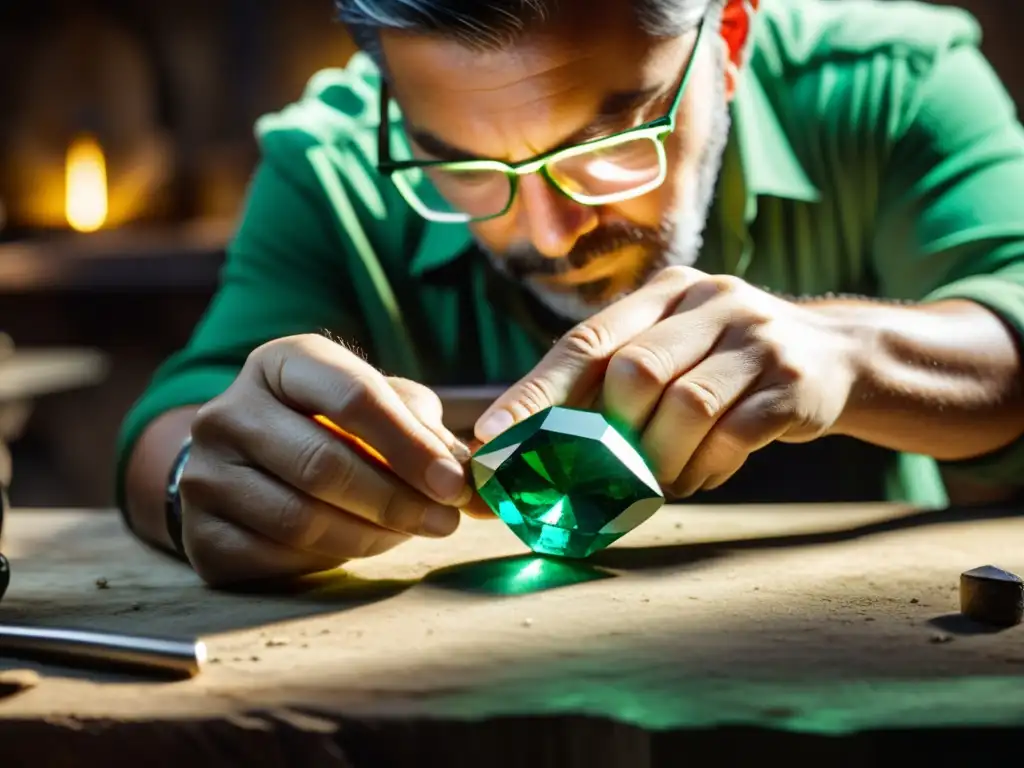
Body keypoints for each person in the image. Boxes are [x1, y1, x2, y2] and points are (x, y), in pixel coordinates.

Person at [118, 0, 1024, 586]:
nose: (551, 234)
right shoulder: (331, 164)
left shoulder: (893, 86)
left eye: (607, 147)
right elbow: (182, 419)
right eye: (463, 167)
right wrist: (205, 482)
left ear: (730, 39)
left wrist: (850, 354)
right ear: (394, 99)